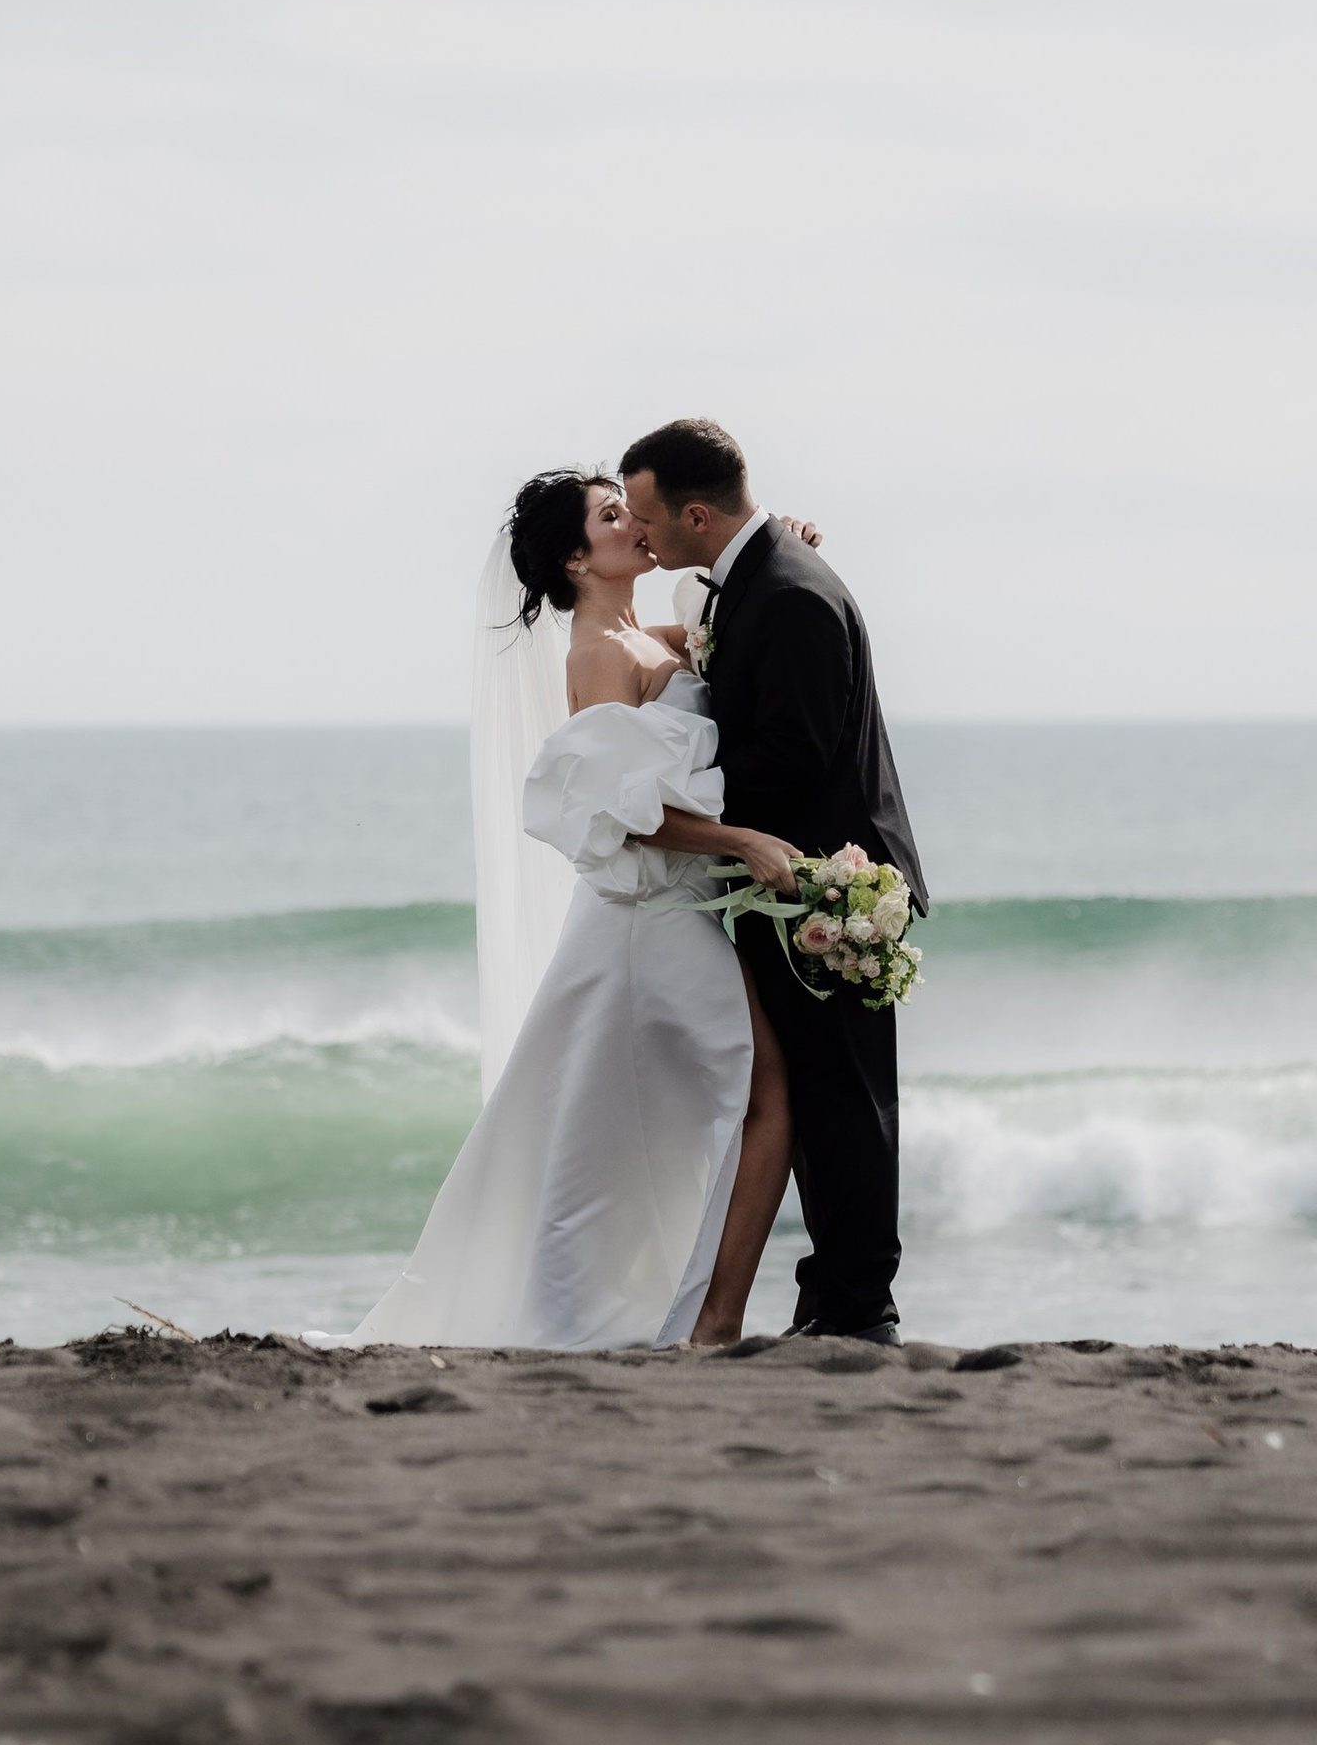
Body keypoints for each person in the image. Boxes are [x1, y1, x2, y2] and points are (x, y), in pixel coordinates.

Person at [353, 470, 803, 1352]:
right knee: (759, 1094)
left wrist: (785, 555)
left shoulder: (644, 631)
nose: (635, 523)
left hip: (679, 912)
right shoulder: (599, 651)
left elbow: (726, 633)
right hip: (651, 921)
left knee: (629, 1128)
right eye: (611, 516)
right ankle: (703, 1325)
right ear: (573, 556)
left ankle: (677, 1313)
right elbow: (615, 814)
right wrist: (742, 842)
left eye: (632, 509)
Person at [620, 416, 926, 1346]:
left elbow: (792, 758)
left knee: (845, 1102)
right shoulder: (750, 578)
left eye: (648, 518)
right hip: (788, 884)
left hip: (824, 888)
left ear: (699, 514)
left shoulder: (787, 593)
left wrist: (668, 806)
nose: (642, 535)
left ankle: (859, 1313)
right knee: (824, 1097)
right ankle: (832, 1301)